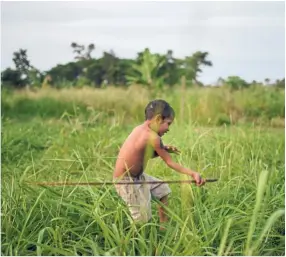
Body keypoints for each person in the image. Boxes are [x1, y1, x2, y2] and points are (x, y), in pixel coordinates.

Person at [113, 99, 205, 227]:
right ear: (158, 119)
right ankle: (134, 243)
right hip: (126, 181)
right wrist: (193, 173)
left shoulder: (141, 130)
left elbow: (142, 154)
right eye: (168, 123)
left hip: (138, 177)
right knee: (142, 220)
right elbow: (170, 163)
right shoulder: (153, 137)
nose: (168, 129)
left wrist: (163, 149)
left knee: (163, 189)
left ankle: (163, 227)